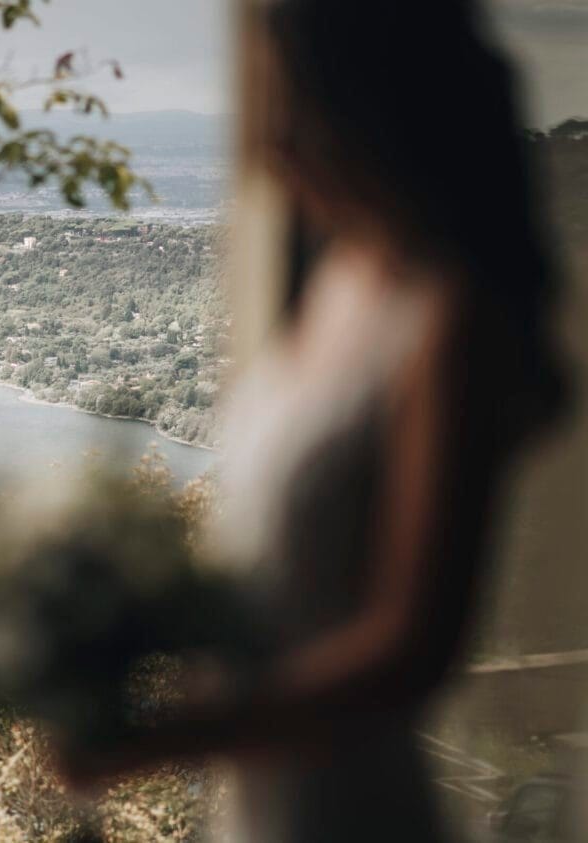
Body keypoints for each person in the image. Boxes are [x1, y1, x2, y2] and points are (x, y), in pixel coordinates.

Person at [54, 1, 569, 840]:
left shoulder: (447, 321)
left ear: (370, 101)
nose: (270, 143)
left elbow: (412, 648)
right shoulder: (339, 279)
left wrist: (169, 734)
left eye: (291, 100)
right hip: (262, 794)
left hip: (350, 805)